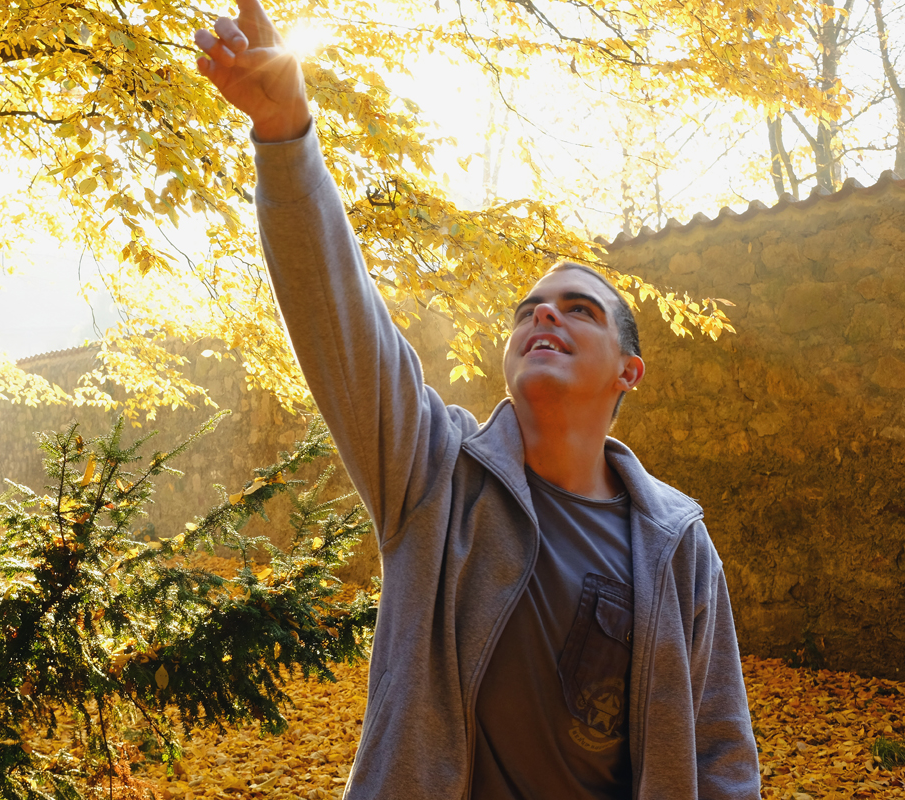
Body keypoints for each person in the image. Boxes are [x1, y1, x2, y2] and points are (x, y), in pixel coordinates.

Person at [193, 3, 760, 798]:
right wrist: (287, 136)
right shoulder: (435, 475)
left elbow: (721, 756)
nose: (544, 317)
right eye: (529, 311)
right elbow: (343, 325)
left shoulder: (677, 545)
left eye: (579, 309)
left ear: (628, 372)